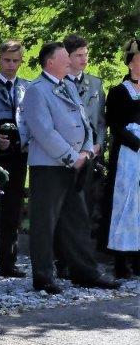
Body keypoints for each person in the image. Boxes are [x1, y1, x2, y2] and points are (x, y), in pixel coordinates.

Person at [20, 42, 120, 294]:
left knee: (77, 220)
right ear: (50, 62)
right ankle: (43, 276)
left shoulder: (67, 85)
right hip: (50, 167)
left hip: (76, 164)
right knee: (45, 223)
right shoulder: (36, 90)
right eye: (64, 57)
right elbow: (43, 131)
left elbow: (85, 122)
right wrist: (71, 156)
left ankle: (85, 272)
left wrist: (86, 152)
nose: (69, 61)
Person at [0, 40, 30, 277]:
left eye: (15, 61)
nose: (11, 65)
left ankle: (8, 261)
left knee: (13, 207)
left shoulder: (26, 87)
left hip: (18, 154)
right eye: (7, 60)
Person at [105, 38, 140, 277]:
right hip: (127, 154)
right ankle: (120, 260)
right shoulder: (118, 92)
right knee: (124, 203)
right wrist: (136, 142)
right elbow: (114, 125)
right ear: (130, 63)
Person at [65, 34, 106, 231]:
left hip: (91, 153)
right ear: (67, 57)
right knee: (65, 203)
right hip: (66, 152)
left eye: (86, 54)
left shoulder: (95, 84)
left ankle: (83, 243)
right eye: (79, 55)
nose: (84, 59)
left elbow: (101, 121)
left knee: (86, 202)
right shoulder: (58, 83)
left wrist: (99, 145)